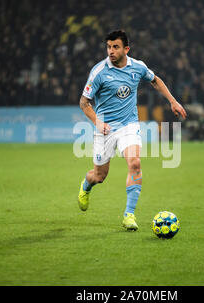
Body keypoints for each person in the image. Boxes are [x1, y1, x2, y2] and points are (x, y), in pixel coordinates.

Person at [77, 30, 187, 231]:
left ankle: (129, 215)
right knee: (99, 176)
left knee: (135, 163)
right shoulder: (99, 71)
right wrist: (97, 123)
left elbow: (156, 80)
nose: (111, 51)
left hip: (129, 125)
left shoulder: (138, 67)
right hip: (105, 129)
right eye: (109, 47)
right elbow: (84, 103)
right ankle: (86, 186)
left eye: (115, 47)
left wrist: (173, 101)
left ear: (126, 49)